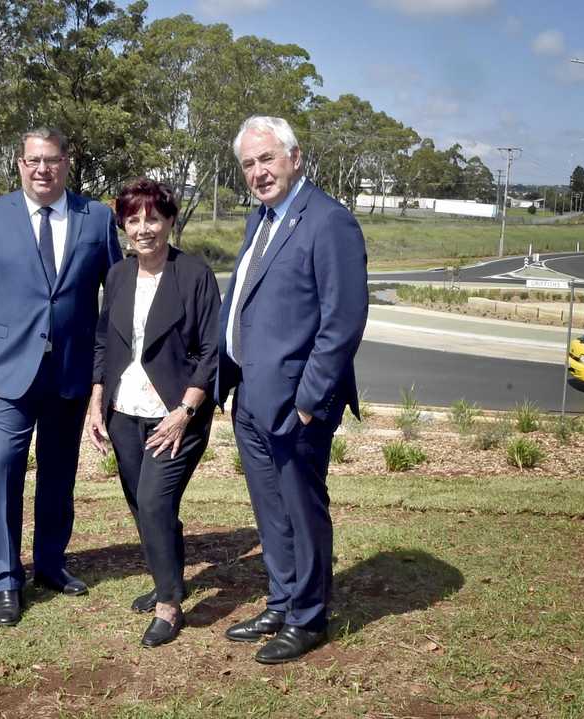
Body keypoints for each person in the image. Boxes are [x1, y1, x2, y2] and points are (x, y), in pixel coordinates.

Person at [217, 116, 368, 664]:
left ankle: (308, 617)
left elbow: (343, 321)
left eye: (267, 159)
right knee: (271, 512)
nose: (258, 172)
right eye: (249, 164)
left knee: (301, 510)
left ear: (295, 158)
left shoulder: (328, 222)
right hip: (251, 399)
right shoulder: (261, 219)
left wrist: (309, 403)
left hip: (295, 404)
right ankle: (282, 600)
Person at [0, 128, 123, 626]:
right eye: (34, 161)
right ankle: (5, 581)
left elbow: (115, 294)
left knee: (58, 475)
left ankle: (50, 563)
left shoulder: (95, 217)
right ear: (19, 163)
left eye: (52, 160)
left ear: (67, 163)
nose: (42, 169)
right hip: (5, 374)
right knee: (2, 472)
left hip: (70, 373)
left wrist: (105, 374)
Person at [86, 179, 220, 647]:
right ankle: (172, 578)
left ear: (169, 221)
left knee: (156, 502)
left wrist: (185, 411)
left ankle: (168, 604)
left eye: (153, 218)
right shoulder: (118, 276)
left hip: (176, 414)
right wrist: (96, 399)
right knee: (143, 505)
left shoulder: (195, 275)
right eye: (134, 219)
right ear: (123, 225)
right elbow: (105, 340)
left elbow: (211, 351)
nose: (144, 228)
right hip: (125, 411)